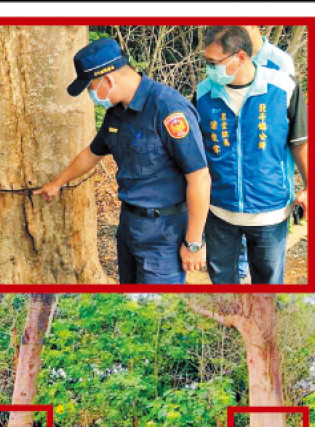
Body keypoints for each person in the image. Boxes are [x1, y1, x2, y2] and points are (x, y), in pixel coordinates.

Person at [35, 38, 211, 284]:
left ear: (108, 80)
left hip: (164, 234)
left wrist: (193, 242)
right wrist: (57, 182)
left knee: (156, 304)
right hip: (129, 226)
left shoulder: (168, 109)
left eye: (91, 87)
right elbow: (92, 153)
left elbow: (199, 178)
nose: (91, 94)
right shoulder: (116, 113)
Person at [194, 26, 308, 284]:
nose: (210, 68)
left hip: (270, 212)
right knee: (222, 283)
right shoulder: (203, 93)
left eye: (215, 62)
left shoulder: (283, 88)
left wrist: (311, 188)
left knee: (268, 285)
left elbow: (301, 142)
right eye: (206, 61)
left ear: (241, 56)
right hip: (219, 210)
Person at [234, 25, 298, 283]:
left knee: (266, 263)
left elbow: (284, 120)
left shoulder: (279, 62)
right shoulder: (227, 56)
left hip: (267, 179)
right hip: (233, 178)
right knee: (237, 256)